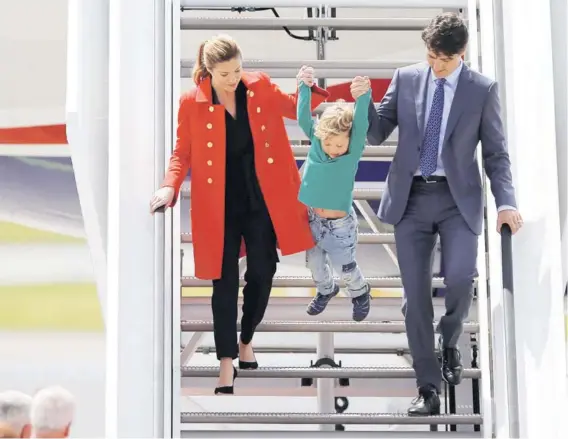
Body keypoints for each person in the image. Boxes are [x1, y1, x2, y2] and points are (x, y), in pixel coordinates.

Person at [350, 12, 523, 416]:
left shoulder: (482, 90)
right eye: (430, 56)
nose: (434, 65)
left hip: (456, 199)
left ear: (461, 52)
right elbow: (377, 132)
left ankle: (449, 340)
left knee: (461, 279)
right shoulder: (407, 77)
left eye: (443, 59)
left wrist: (507, 203)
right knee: (415, 300)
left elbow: (496, 155)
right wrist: (364, 102)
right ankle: (426, 388)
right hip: (409, 199)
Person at [149, 34, 329, 394]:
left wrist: (306, 87)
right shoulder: (191, 103)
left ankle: (246, 338)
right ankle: (227, 362)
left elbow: (296, 108)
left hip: (262, 198)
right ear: (209, 72)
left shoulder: (258, 86)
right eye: (226, 73)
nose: (234, 78)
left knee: (263, 272)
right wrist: (170, 185)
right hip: (218, 204)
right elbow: (181, 153)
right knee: (224, 282)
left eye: (237, 70)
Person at [296, 71, 372, 321]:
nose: (334, 150)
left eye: (340, 145)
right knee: (315, 266)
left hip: (340, 226)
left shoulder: (351, 152)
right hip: (314, 221)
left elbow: (361, 124)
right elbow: (303, 117)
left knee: (346, 268)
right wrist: (304, 87)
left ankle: (360, 292)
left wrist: (363, 96)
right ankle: (326, 290)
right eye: (329, 144)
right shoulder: (318, 145)